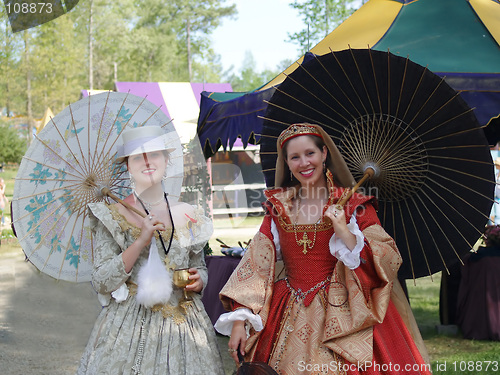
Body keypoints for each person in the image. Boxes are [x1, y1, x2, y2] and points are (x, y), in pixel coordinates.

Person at [215, 123, 431, 374]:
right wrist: (240, 319)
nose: (304, 163)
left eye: (310, 153)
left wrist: (345, 232)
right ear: (286, 163)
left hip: (345, 310)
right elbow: (255, 265)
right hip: (287, 310)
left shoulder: (354, 204)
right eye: (295, 157)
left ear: (324, 154)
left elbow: (387, 257)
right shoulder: (279, 207)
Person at [77, 126, 224, 374]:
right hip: (131, 325)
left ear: (166, 160)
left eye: (154, 154)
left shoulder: (189, 213)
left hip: (184, 323)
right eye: (137, 156)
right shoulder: (113, 215)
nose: (147, 161)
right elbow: (102, 281)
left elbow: (198, 265)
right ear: (127, 166)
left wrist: (200, 279)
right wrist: (139, 241)